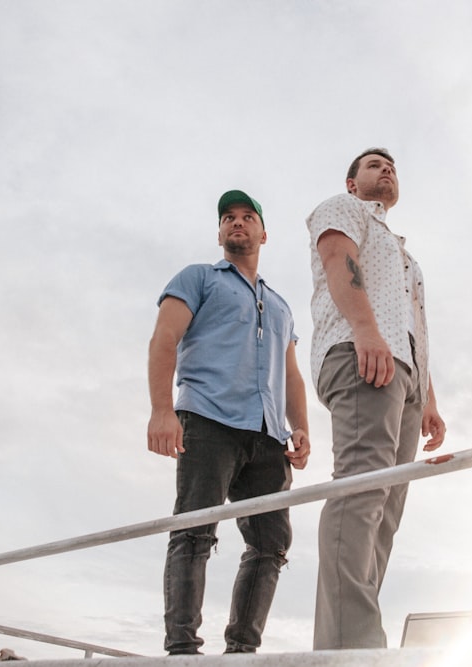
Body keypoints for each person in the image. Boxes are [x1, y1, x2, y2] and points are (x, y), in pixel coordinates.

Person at [147, 189, 310, 655]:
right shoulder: (198, 278)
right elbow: (165, 338)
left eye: (246, 217)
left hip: (266, 435)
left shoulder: (279, 305)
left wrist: (301, 427)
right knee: (194, 530)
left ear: (263, 232)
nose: (237, 223)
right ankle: (182, 650)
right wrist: (162, 409)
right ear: (220, 232)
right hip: (207, 420)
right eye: (228, 218)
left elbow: (291, 374)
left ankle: (242, 653)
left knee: (272, 543)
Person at [307, 148, 446, 649]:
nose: (386, 169)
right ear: (351, 183)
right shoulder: (341, 209)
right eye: (373, 165)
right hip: (361, 352)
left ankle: (353, 635)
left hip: (407, 376)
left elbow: (415, 326)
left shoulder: (407, 256)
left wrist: (428, 397)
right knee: (362, 487)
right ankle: (351, 650)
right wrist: (365, 330)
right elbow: (336, 260)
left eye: (391, 167)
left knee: (386, 510)